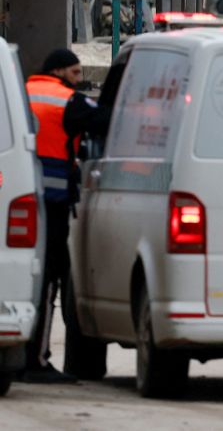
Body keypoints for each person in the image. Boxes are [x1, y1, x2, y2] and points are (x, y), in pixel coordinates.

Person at [20, 49, 108, 383]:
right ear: (58, 71)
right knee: (49, 280)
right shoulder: (68, 101)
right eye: (74, 72)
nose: (79, 78)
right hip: (52, 205)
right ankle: (35, 361)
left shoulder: (21, 91)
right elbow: (108, 119)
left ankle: (20, 355)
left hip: (17, 198)